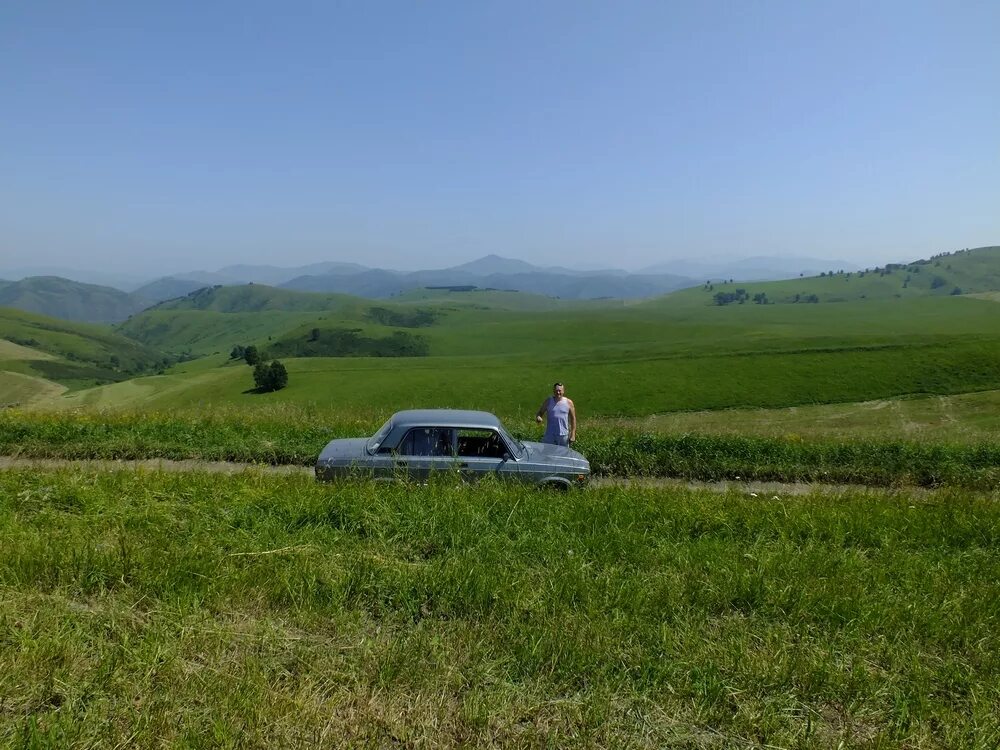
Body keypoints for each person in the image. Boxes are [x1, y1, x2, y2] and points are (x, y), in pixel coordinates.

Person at [535, 382, 577, 447]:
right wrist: (538, 417)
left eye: (560, 391)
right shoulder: (549, 401)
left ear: (563, 391)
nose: (558, 393)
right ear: (553, 391)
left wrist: (573, 434)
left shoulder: (568, 402)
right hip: (550, 435)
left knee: (563, 455)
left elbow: (573, 418)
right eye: (556, 391)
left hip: (563, 436)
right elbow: (540, 412)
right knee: (547, 454)